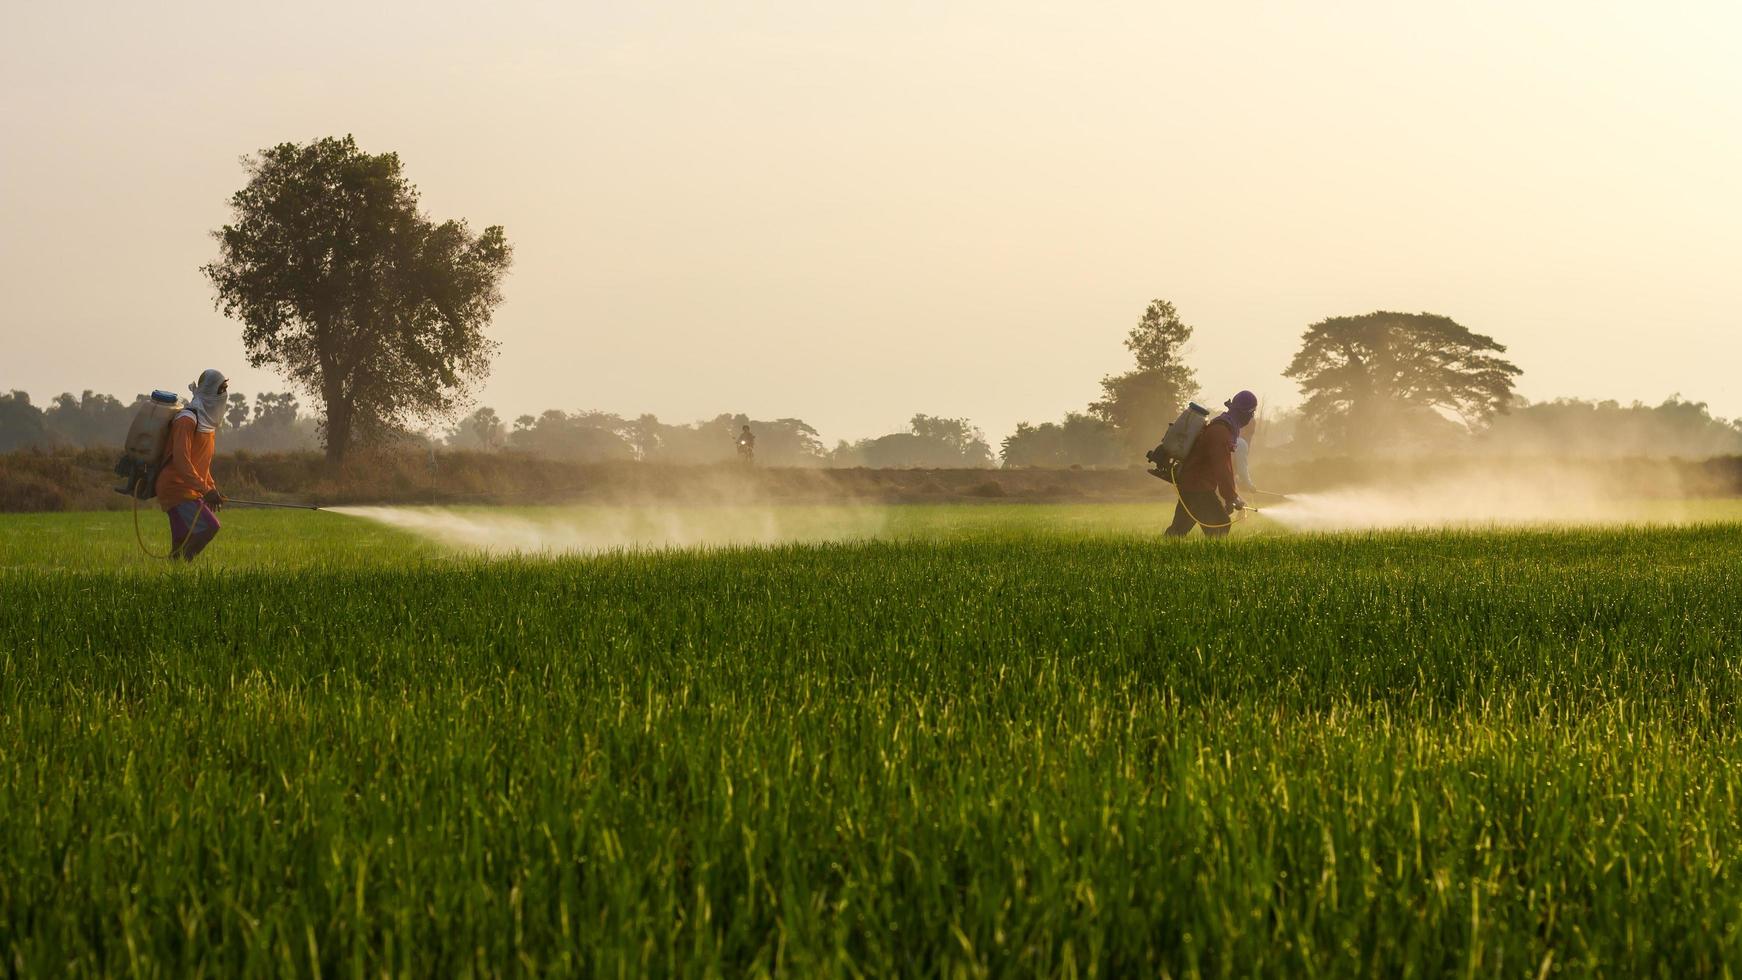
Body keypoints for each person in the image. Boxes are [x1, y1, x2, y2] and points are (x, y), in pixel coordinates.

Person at [155, 369, 228, 561]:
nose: (225, 394)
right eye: (222, 389)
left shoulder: (208, 425)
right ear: (211, 390)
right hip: (176, 487)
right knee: (210, 527)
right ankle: (182, 571)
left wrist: (211, 489)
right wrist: (205, 490)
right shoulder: (186, 420)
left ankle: (175, 577)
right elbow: (181, 461)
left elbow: (202, 464)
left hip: (189, 488)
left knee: (180, 541)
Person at [1165, 390, 1256, 538]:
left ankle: (1161, 554)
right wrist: (1231, 497)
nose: (1251, 417)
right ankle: (1214, 560)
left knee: (1177, 531)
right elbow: (1222, 468)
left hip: (1192, 484)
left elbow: (1226, 466)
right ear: (1243, 413)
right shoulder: (1221, 431)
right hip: (1198, 487)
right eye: (1251, 413)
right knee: (1220, 525)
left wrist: (1229, 497)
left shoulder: (1224, 427)